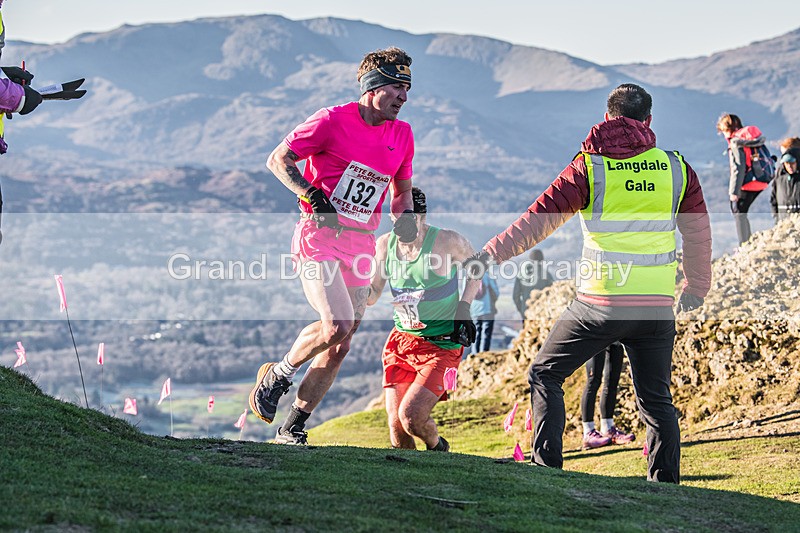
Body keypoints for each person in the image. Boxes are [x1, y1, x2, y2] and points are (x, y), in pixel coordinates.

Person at [464, 84, 712, 483]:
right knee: (656, 400)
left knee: (545, 374)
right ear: (649, 121)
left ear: (608, 117)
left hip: (601, 304)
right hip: (656, 306)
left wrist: (488, 256)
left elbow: (537, 221)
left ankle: (547, 469)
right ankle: (666, 486)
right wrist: (697, 287)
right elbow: (698, 233)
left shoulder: (589, 167)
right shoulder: (676, 168)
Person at [249, 47, 418, 445]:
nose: (403, 97)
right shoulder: (331, 120)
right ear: (373, 86)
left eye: (407, 89)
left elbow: (402, 192)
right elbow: (278, 160)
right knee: (336, 325)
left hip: (361, 244)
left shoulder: (402, 134)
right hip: (319, 236)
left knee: (340, 344)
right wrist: (310, 193)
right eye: (396, 87)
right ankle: (277, 376)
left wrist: (407, 221)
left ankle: (292, 428)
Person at [367, 187, 477, 451]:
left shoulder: (447, 241)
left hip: (441, 344)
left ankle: (438, 448)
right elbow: (372, 294)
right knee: (396, 427)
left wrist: (464, 309)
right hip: (402, 342)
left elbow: (477, 268)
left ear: (422, 217)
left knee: (412, 418)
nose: (402, 227)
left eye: (409, 219)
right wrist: (345, 286)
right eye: (397, 220)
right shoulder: (384, 245)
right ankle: (408, 475)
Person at [716, 113, 771, 245]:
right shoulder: (752, 139)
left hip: (749, 182)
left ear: (727, 129)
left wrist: (734, 192)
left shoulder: (736, 142)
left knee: (738, 210)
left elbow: (738, 167)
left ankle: (744, 245)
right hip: (762, 179)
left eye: (723, 131)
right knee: (742, 211)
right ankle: (748, 242)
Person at [580, 342, 636, 449]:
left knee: (612, 382)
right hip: (596, 337)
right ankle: (588, 433)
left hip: (616, 338)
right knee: (593, 382)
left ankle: (608, 429)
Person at [512, 248, 553, 320]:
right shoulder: (547, 275)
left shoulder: (521, 275)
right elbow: (553, 294)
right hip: (542, 313)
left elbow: (515, 296)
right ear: (541, 260)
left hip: (526, 311)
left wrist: (522, 310)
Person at [469, 270, 499, 354]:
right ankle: (483, 355)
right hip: (487, 308)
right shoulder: (488, 275)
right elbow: (496, 292)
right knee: (486, 333)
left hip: (474, 310)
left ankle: (474, 354)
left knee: (476, 333)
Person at [770, 149, 800, 223]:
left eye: (792, 163)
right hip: (783, 222)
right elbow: (773, 200)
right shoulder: (779, 180)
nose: (789, 166)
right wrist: (776, 217)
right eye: (787, 163)